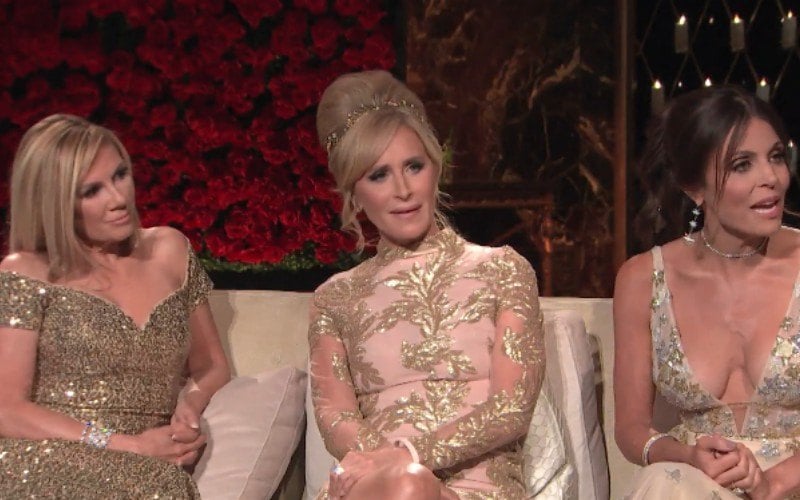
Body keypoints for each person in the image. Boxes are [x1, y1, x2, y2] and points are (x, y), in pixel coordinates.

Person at [309, 69, 546, 499]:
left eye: (413, 167)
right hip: (371, 487)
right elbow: (335, 417)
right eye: (378, 175)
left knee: (410, 485)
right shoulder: (334, 298)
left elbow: (511, 408)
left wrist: (409, 458)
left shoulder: (504, 271)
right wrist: (388, 468)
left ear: (435, 169)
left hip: (475, 490)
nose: (403, 189)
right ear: (355, 193)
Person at [0, 114, 230, 497]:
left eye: (120, 175)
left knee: (161, 485)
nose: (119, 199)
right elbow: (7, 409)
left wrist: (189, 405)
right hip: (44, 459)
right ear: (55, 203)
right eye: (92, 191)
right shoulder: (25, 271)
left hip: (147, 469)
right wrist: (127, 445)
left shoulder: (169, 250)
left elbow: (212, 366)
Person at [614, 85, 800, 499]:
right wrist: (686, 456)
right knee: (666, 483)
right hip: (698, 484)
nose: (771, 179)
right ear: (692, 186)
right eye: (742, 165)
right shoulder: (642, 279)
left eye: (775, 157)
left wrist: (773, 483)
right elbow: (631, 430)